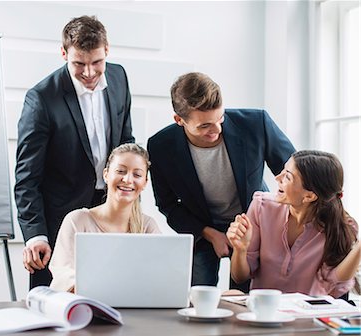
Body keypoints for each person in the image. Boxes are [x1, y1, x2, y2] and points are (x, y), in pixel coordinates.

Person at [15, 16, 134, 289]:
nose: (90, 73)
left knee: (113, 294)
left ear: (107, 50)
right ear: (63, 53)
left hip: (110, 211)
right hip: (59, 219)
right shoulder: (41, 99)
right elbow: (27, 178)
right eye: (79, 63)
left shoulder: (119, 78)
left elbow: (126, 141)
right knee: (54, 303)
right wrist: (36, 236)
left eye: (97, 63)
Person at [147, 72, 295, 290]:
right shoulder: (161, 146)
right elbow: (168, 205)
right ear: (179, 120)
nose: (217, 130)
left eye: (220, 118)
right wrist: (209, 233)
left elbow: (295, 172)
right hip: (202, 228)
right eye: (205, 126)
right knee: (198, 296)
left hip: (252, 223)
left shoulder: (256, 124)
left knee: (247, 296)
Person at [227, 150, 360, 298]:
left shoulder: (343, 226)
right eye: (283, 171)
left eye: (288, 177)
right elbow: (239, 277)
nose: (278, 178)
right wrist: (241, 249)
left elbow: (334, 285)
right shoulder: (261, 207)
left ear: (309, 196)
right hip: (263, 310)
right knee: (230, 294)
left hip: (307, 315)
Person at [49, 143, 160, 292]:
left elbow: (159, 275)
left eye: (137, 175)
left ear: (145, 182)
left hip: (134, 310)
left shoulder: (148, 226)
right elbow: (63, 274)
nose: (127, 179)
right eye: (121, 171)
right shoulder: (77, 221)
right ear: (106, 174)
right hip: (86, 307)